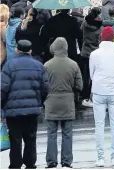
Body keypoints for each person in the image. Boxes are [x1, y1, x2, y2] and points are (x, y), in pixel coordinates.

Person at [1, 39, 49, 170]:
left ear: (17, 50)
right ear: (30, 51)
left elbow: (3, 88)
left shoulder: (9, 65)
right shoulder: (39, 66)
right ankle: (30, 163)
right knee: (31, 138)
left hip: (13, 111)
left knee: (15, 139)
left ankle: (15, 164)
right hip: (32, 110)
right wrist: (39, 102)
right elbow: (45, 88)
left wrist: (2, 106)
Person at [89, 26, 114, 168]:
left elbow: (91, 74)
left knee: (99, 125)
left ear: (102, 38)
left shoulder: (95, 54)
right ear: (113, 38)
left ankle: (100, 158)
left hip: (99, 91)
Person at [44, 37, 83, 169]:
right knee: (67, 133)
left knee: (51, 133)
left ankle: (51, 161)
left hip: (51, 102)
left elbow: (42, 85)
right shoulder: (73, 64)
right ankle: (66, 161)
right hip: (67, 102)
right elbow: (79, 85)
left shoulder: (47, 65)